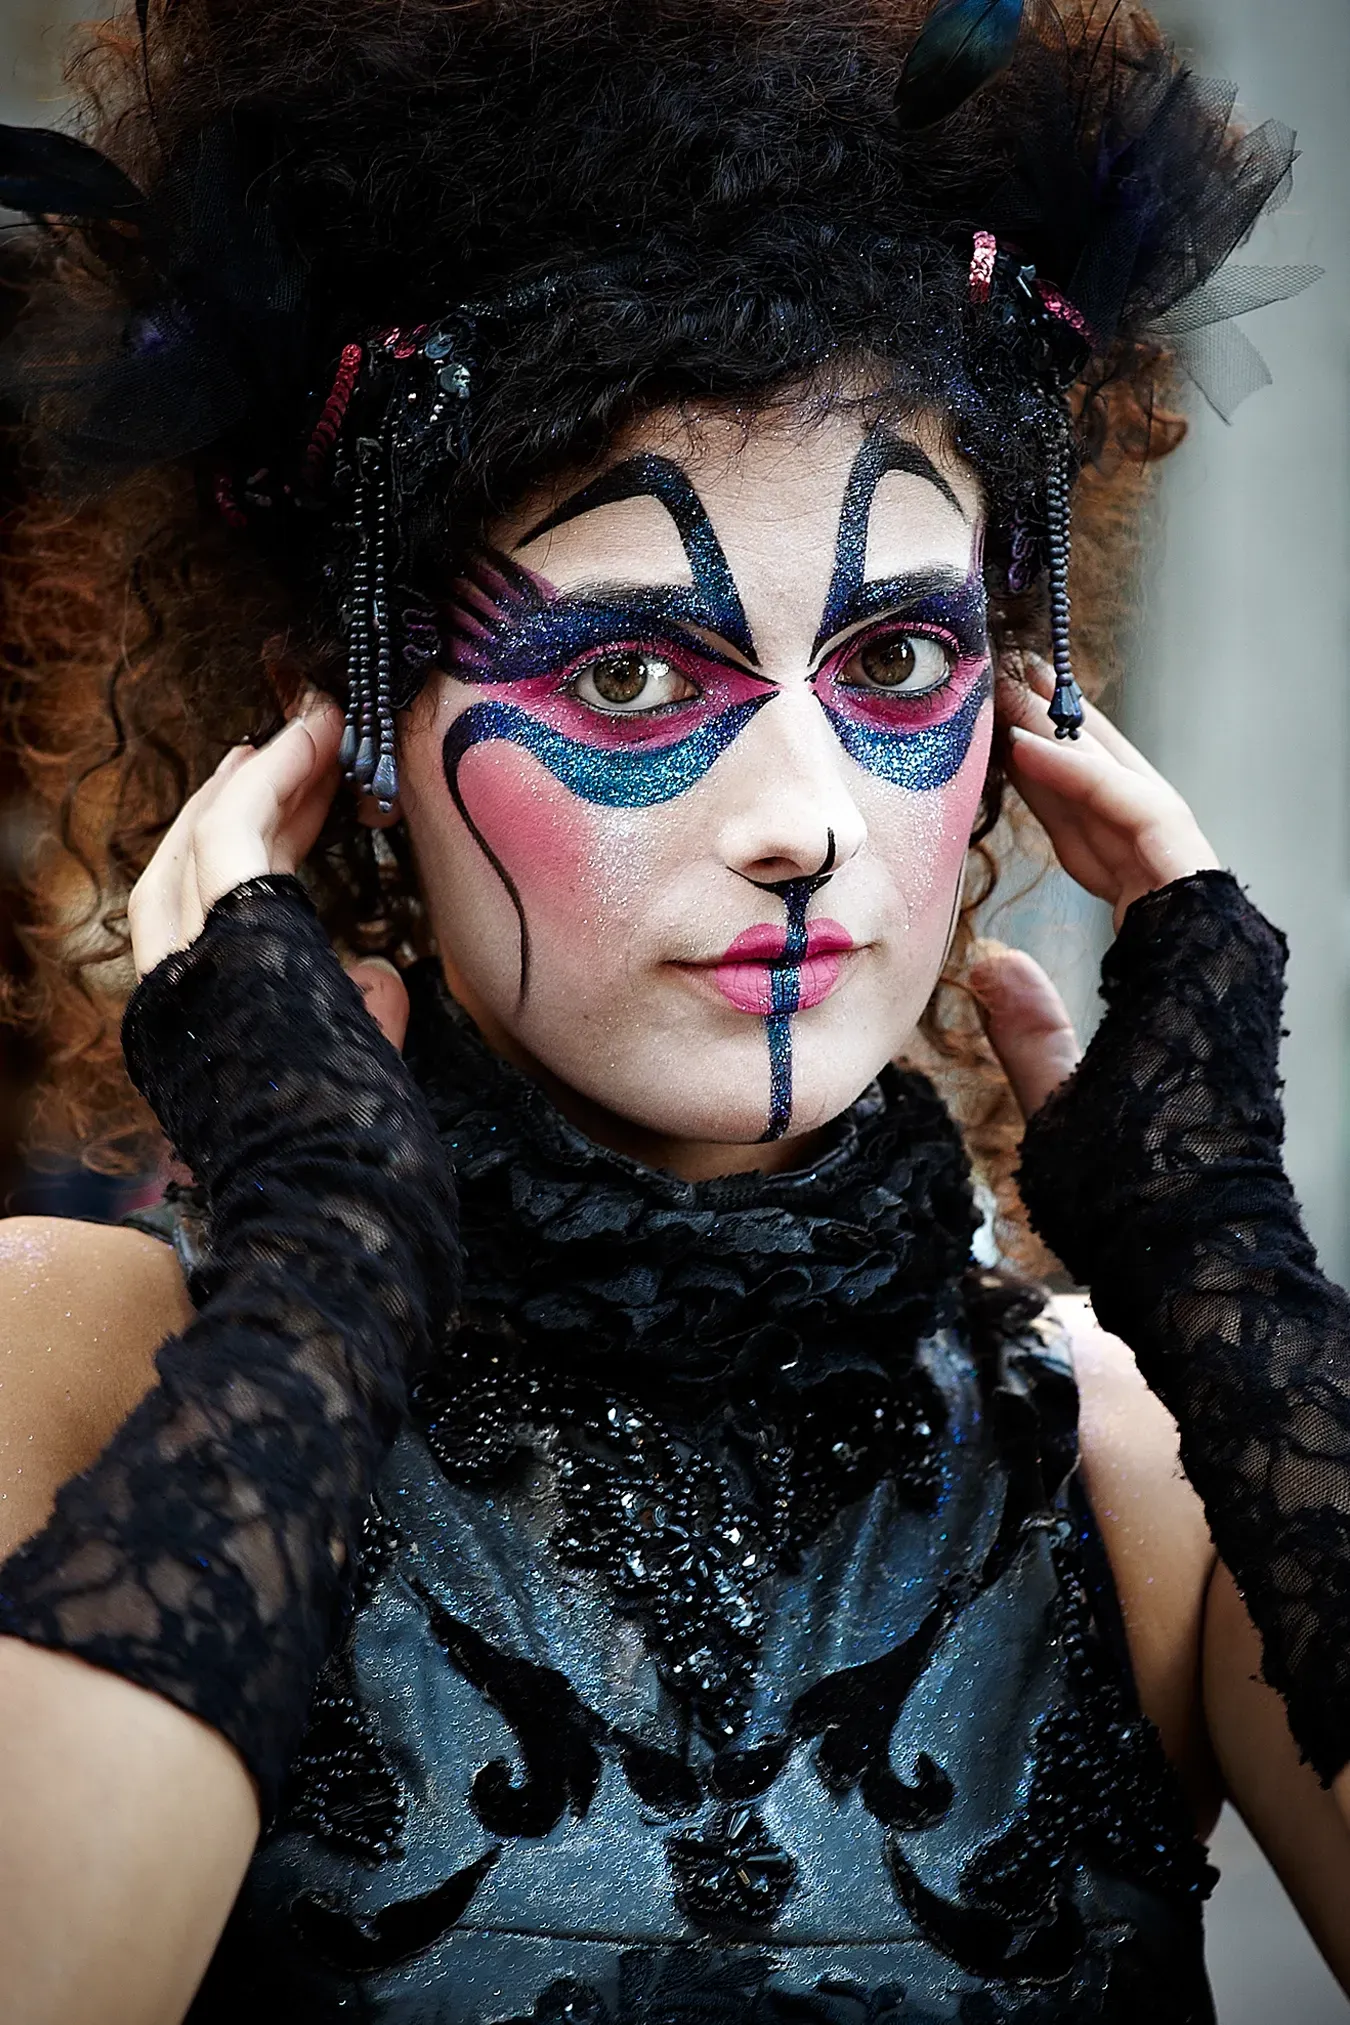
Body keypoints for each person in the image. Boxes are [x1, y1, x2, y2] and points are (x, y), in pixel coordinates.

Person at [0, 2, 1347, 2020]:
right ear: (350, 724)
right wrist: (320, 1287)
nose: (805, 823)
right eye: (631, 676)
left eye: (900, 657)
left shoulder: (1151, 1463)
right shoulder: (71, 1363)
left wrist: (1231, 1269)